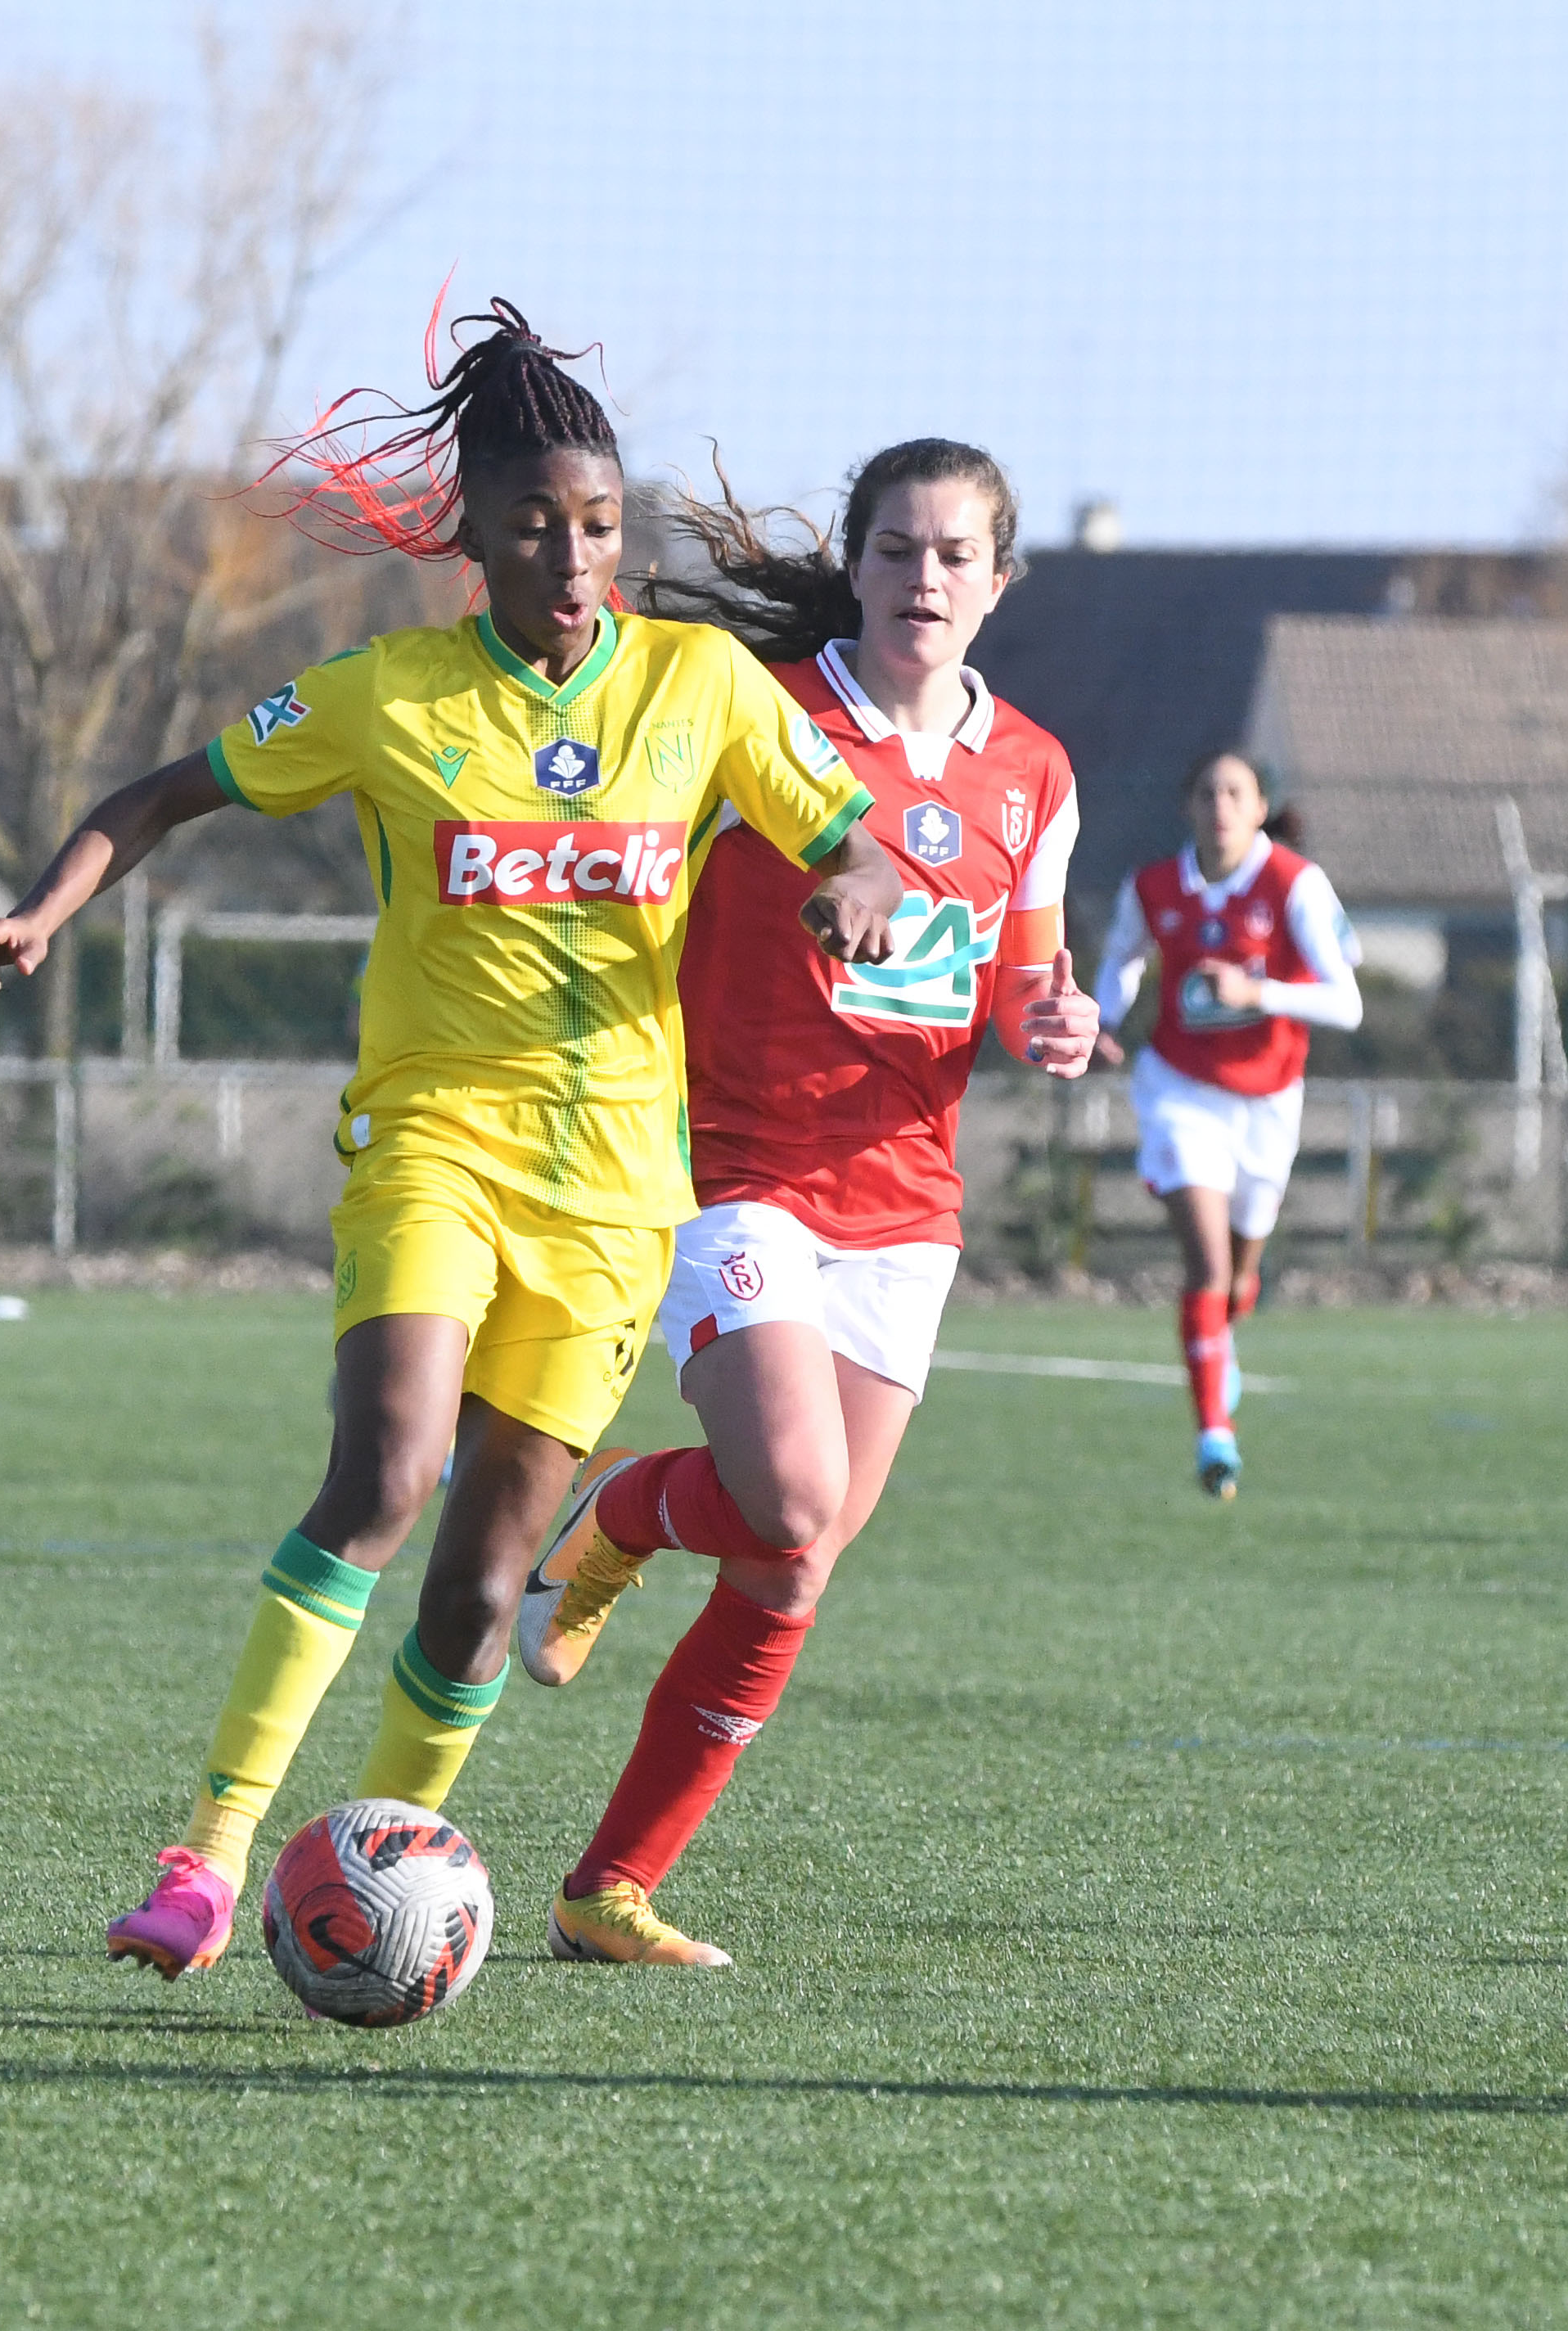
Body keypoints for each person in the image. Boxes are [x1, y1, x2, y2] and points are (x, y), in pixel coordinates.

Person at [0, 301, 900, 1979]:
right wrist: (43, 906)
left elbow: (860, 844)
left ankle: (376, 1877)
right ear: (468, 533)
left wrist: (852, 893)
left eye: (601, 524)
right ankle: (210, 1855)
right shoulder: (388, 697)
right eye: (537, 523)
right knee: (384, 1472)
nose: (575, 554)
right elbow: (161, 795)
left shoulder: (699, 690)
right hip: (433, 1146)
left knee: (476, 1589)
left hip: (617, 1197)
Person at [510, 439, 1097, 1967]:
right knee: (786, 1493)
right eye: (897, 549)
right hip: (733, 1165)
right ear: (855, 561)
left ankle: (605, 1889)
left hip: (907, 1195)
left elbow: (1024, 973)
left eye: (955, 554)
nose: (923, 579)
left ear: (1000, 581)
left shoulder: (1030, 769)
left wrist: (1056, 1018)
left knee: (792, 1561)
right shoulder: (755, 713)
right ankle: (619, 1511)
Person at [1090, 753, 1359, 1499]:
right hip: (1180, 1090)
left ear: (1259, 805)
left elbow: (1348, 1003)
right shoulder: (1153, 887)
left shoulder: (1294, 884)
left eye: (1236, 792)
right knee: (1207, 1266)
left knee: (1239, 1277)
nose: (1220, 805)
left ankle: (1225, 1328)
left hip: (1270, 1098)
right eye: (1206, 791)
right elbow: (1121, 959)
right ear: (1188, 806)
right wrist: (1106, 1019)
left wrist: (1257, 990)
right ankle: (1215, 1433)